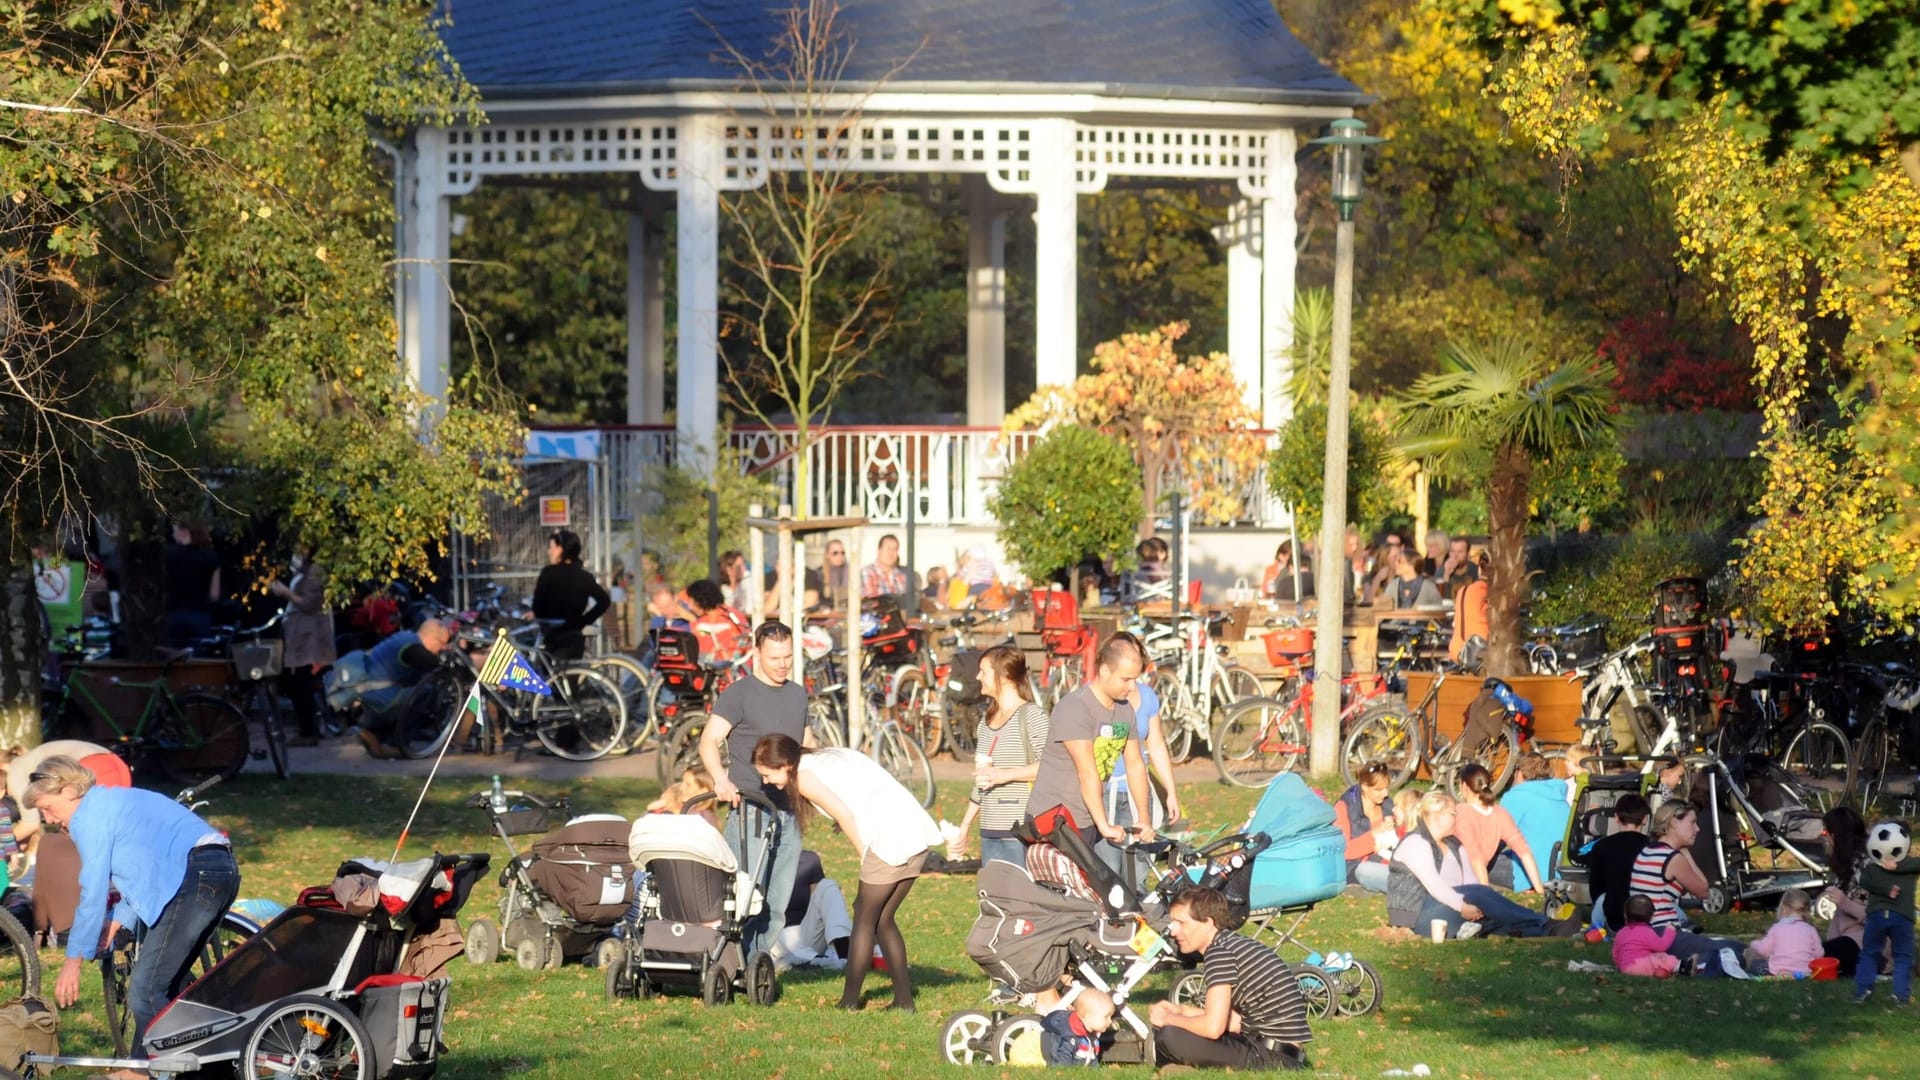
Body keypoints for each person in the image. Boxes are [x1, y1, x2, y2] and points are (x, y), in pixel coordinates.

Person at [28, 756, 240, 1075]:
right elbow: (146, 870)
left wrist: (73, 962)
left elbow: (93, 889)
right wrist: (116, 921)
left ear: (69, 791)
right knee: (170, 985)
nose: (47, 818)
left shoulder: (89, 816)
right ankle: (145, 1069)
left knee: (146, 990)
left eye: (47, 807)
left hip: (196, 876)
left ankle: (208, 1073)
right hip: (217, 870)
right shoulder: (114, 802)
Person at [751, 733, 942, 1011]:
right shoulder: (824, 756)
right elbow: (859, 791)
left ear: (785, 765)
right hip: (913, 829)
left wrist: (864, 854)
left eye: (768, 775)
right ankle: (904, 1001)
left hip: (889, 839)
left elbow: (846, 815)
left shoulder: (804, 776)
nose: (768, 782)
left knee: (865, 918)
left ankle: (849, 1001)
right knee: (882, 919)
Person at [699, 622, 808, 962]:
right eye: (775, 657)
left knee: (776, 901)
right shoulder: (739, 694)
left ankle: (756, 965)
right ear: (757, 653)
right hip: (750, 810)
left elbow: (806, 747)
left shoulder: (798, 694)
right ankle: (728, 960)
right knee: (745, 895)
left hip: (789, 811)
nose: (782, 664)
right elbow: (708, 741)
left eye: (788, 656)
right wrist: (720, 778)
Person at [1149, 886, 1311, 1070]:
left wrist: (1168, 1019)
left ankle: (1176, 1067)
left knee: (1169, 1036)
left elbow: (1213, 1027)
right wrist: (1182, 1012)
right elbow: (1233, 1021)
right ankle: (1180, 1068)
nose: (1173, 931)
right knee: (1176, 1030)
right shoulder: (1231, 945)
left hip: (1270, 1056)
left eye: (1181, 923)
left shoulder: (1219, 953)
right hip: (1284, 1053)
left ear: (1208, 923)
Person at [1025, 634, 1157, 849]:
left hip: (1086, 819)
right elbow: (1086, 772)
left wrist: (1144, 818)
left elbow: (1135, 765)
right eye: (1126, 679)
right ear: (1104, 670)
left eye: (1135, 679)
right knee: (1060, 883)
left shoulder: (1125, 711)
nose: (1132, 687)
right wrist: (1104, 825)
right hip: (1052, 819)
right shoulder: (1075, 708)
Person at [1386, 790, 1571, 940]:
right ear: (1439, 815)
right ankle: (1544, 922)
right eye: (1453, 814)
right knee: (1480, 895)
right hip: (1417, 915)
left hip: (1449, 905)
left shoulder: (1454, 844)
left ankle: (1549, 932)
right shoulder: (1416, 843)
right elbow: (1434, 884)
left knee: (1492, 918)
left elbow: (1470, 881)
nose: (1456, 819)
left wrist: (1477, 904)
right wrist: (1463, 906)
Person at [950, 646, 1050, 868]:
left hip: (1022, 830)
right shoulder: (986, 722)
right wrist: (966, 825)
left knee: (1022, 898)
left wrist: (1005, 775)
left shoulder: (1031, 716)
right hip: (990, 830)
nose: (978, 677)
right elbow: (982, 779)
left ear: (1003, 677)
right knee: (993, 899)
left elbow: (1051, 766)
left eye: (983, 671)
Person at [1628, 801, 1749, 969]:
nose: (1697, 829)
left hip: (1640, 933)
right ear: (1672, 823)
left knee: (1717, 946)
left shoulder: (1647, 851)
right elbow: (1704, 891)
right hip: (1662, 933)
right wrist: (1684, 851)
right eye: (1692, 822)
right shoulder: (1672, 858)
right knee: (1737, 948)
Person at [355, 619, 454, 759]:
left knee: (415, 689)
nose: (443, 648)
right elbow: (436, 664)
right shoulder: (413, 650)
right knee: (425, 692)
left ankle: (375, 736)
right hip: (376, 704)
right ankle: (393, 744)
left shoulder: (406, 638)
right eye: (443, 643)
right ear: (431, 637)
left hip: (368, 699)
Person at [268, 547, 334, 746]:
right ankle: (308, 729)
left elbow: (310, 603)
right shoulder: (303, 569)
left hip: (308, 637)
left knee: (299, 683)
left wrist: (286, 593)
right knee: (297, 682)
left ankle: (308, 732)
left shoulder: (315, 571)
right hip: (299, 634)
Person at [1452, 764, 1546, 894]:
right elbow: (1524, 851)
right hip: (1476, 875)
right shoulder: (1500, 813)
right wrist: (1539, 888)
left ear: (1463, 786)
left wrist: (1485, 894)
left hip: (1456, 876)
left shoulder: (1461, 811)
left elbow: (1474, 856)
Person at [1852, 828, 1919, 1005]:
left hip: (1877, 916)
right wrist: (1888, 888)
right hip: (1902, 917)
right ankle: (1901, 996)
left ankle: (1862, 991)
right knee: (1903, 957)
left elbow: (1863, 880)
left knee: (1869, 953)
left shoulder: (1872, 868)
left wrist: (1897, 867)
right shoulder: (1911, 866)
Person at [1569, 792, 1650, 932]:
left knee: (1601, 900)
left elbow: (1595, 889)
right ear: (1645, 819)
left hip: (1613, 918)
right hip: (1647, 914)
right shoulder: (1652, 846)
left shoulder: (1602, 846)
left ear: (1616, 818)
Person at [1820, 806, 1886, 977]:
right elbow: (1838, 918)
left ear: (1835, 835)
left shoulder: (1871, 868)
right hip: (1851, 940)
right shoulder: (1844, 865)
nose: (1824, 838)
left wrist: (1845, 903)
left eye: (1826, 833)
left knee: (1814, 955)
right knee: (1814, 953)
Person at [531, 529, 611, 662]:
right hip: (575, 637)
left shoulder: (548, 573)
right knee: (569, 680)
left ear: (561, 549)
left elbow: (538, 607)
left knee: (549, 678)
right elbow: (604, 601)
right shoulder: (584, 577)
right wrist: (583, 621)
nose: (549, 552)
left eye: (551, 547)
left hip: (553, 637)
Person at [1497, 753, 1571, 890]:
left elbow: (1495, 838)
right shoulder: (1558, 794)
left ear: (1519, 773)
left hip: (1536, 873)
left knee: (1469, 859)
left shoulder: (1516, 796)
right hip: (1562, 871)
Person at [772, 849, 853, 972]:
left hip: (804, 932)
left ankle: (845, 954)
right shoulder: (758, 864)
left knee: (828, 886)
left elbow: (817, 899)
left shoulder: (809, 860)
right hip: (774, 936)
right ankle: (820, 961)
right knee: (777, 931)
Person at [1332, 762, 1397, 893]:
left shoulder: (1388, 806)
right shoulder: (1344, 808)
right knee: (1367, 871)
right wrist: (1374, 834)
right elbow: (1344, 851)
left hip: (1386, 859)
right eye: (1378, 789)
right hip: (1354, 866)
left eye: (1387, 788)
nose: (1385, 793)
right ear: (1364, 787)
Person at [163, 521, 221, 647]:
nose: (173, 535)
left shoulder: (168, 554)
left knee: (173, 659)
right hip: (200, 616)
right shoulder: (211, 557)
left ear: (184, 531)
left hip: (173, 615)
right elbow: (214, 595)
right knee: (199, 661)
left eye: (174, 531)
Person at [1746, 888, 1822, 977]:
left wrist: (1754, 943)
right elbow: (1819, 954)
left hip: (1777, 972)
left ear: (1784, 908)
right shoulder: (1811, 930)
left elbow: (1764, 950)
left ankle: (1782, 973)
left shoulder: (1777, 928)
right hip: (1805, 972)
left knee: (1755, 964)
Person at [1612, 894, 1682, 978]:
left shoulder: (1621, 933)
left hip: (1626, 968)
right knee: (1662, 957)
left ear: (1625, 915)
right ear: (1652, 916)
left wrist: (1621, 966)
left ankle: (1660, 972)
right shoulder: (1647, 931)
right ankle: (1681, 966)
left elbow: (1616, 954)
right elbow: (1661, 946)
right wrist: (1670, 931)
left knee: (1653, 961)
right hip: (1640, 964)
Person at [1041, 987, 1114, 1066]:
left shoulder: (1092, 1035)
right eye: (1106, 1017)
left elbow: (1092, 1056)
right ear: (1088, 1017)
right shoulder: (1069, 1036)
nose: (1110, 1021)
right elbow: (1062, 1057)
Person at [1449, 551, 1491, 662]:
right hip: (1480, 654)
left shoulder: (1463, 590)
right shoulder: (1494, 593)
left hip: (1457, 650)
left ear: (1480, 569)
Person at [861, 534, 909, 602]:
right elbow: (870, 602)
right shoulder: (867, 573)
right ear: (879, 551)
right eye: (888, 549)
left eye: (894, 550)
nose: (891, 553)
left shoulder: (901, 576)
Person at [817, 540, 852, 610]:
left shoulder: (850, 571)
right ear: (827, 555)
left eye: (842, 553)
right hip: (826, 613)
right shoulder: (819, 573)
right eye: (835, 553)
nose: (840, 556)